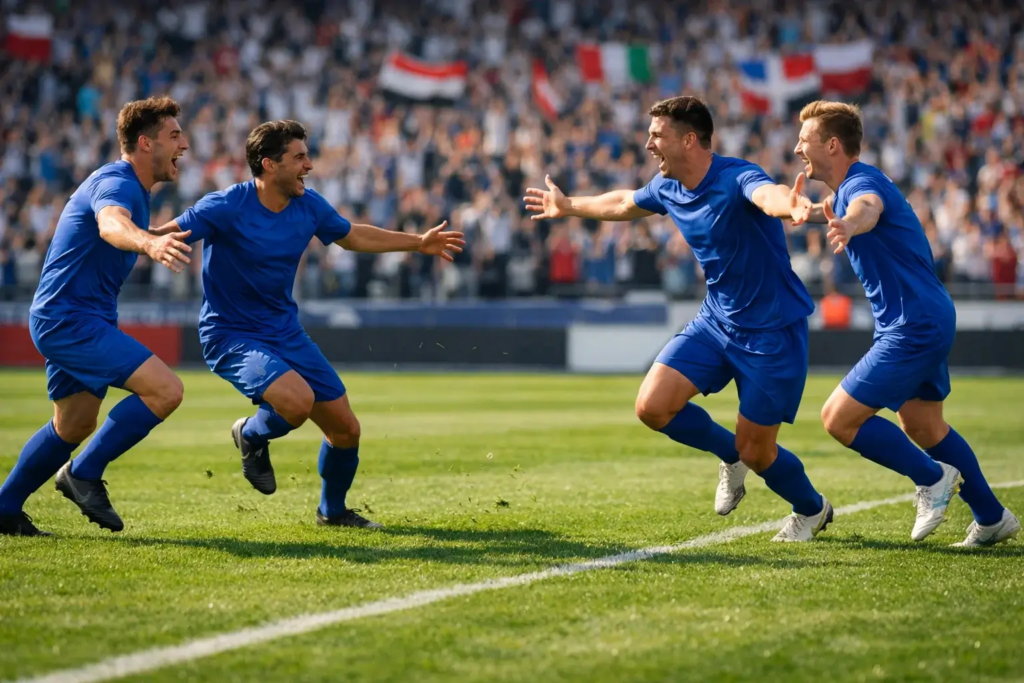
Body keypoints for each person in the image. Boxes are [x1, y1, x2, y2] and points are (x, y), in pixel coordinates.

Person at [525, 96, 831, 542]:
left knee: (759, 451)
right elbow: (625, 203)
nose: (649, 144)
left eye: (656, 135)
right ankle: (731, 455)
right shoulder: (668, 186)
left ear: (689, 140)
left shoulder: (736, 176)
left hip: (771, 331)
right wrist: (569, 205)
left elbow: (768, 195)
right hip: (716, 321)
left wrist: (792, 206)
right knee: (652, 406)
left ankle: (811, 508)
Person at [157, 120, 464, 529]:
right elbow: (159, 235)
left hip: (285, 332)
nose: (310, 165)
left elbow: (353, 236)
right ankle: (250, 434)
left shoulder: (309, 205)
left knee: (346, 430)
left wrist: (418, 243)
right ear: (269, 164)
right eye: (300, 157)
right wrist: (124, 235)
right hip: (231, 336)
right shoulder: (225, 205)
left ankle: (332, 512)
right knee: (296, 402)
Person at [794, 100, 1019, 546]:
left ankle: (932, 479)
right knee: (923, 425)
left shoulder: (861, 184)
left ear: (832, 145)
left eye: (806, 140)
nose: (799, 147)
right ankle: (992, 518)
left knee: (838, 419)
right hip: (925, 316)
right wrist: (805, 211)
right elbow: (840, 206)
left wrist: (850, 225)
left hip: (913, 324)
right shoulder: (846, 189)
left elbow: (867, 208)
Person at [0, 97, 193, 536]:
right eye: (174, 136)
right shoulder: (119, 182)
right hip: (69, 319)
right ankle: (82, 474)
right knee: (166, 390)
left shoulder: (135, 191)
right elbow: (110, 224)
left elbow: (118, 229)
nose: (184, 144)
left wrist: (163, 233)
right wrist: (149, 244)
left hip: (77, 318)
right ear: (146, 143)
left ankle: (5, 509)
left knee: (75, 422)